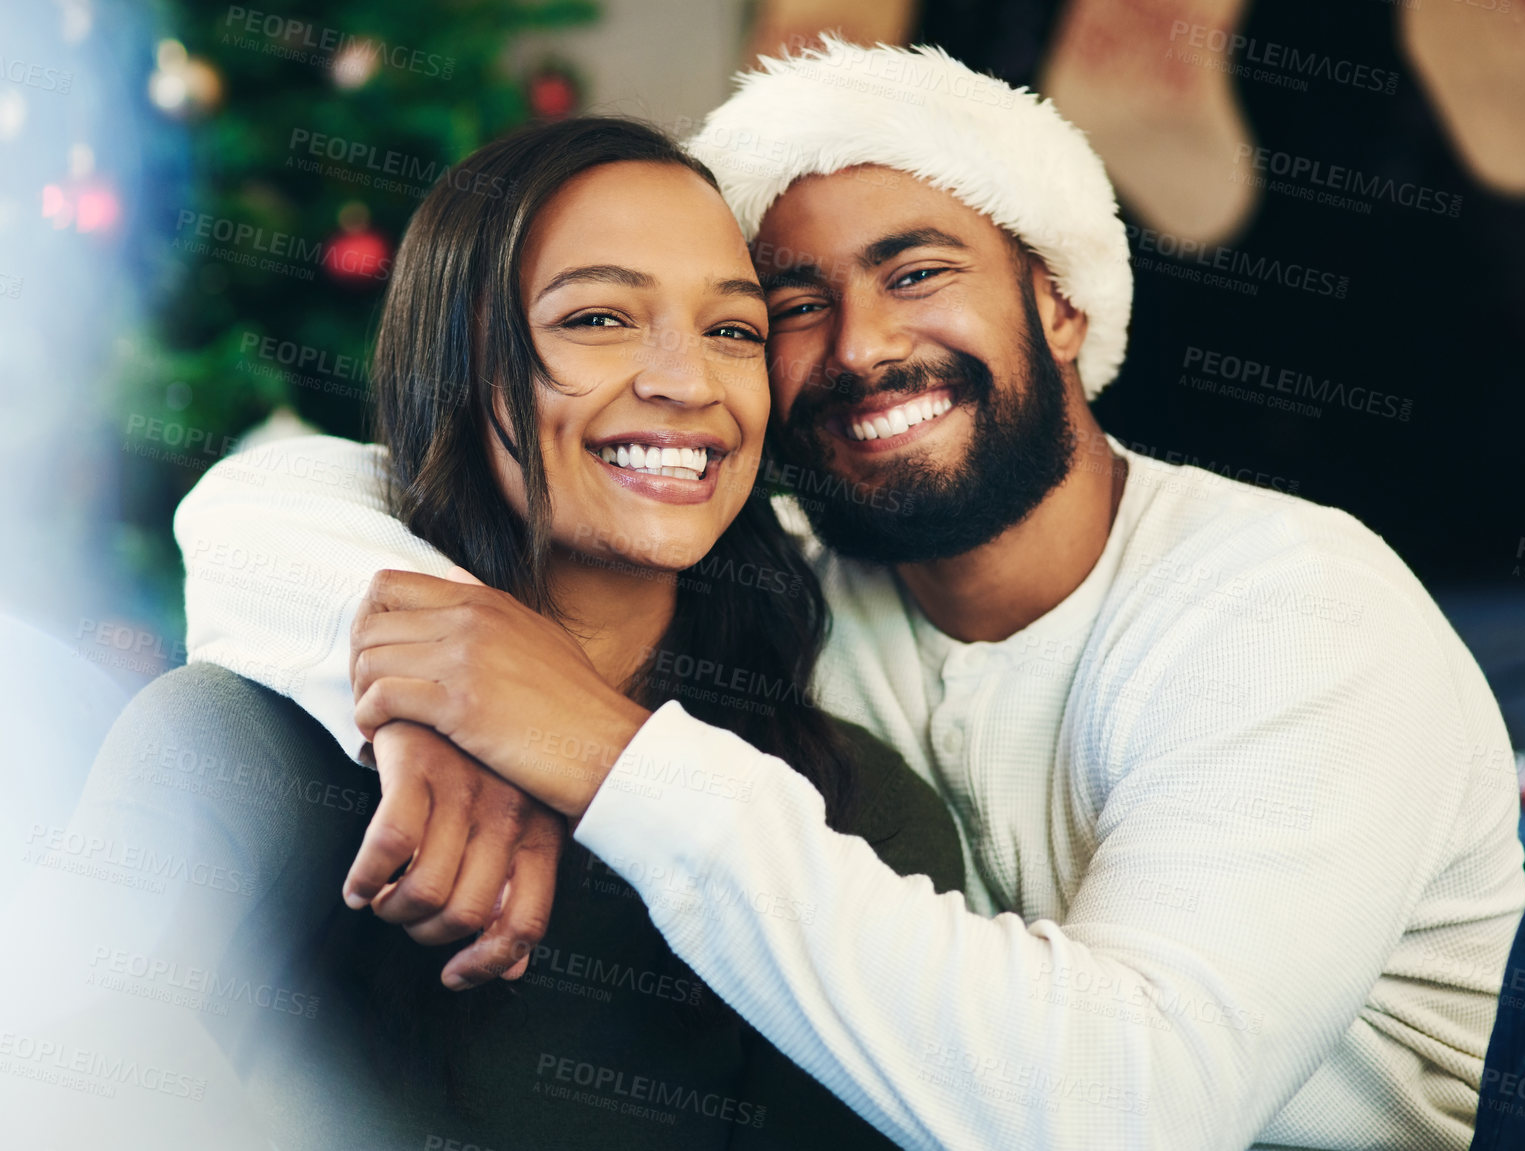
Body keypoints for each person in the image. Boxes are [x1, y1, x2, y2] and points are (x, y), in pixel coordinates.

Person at [177, 39, 1525, 1150]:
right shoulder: (794, 577)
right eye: (790, 306)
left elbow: (1123, 1110)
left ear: (1058, 305)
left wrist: (588, 743)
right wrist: (425, 704)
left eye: (917, 271)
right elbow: (266, 502)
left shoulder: (1282, 608)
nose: (865, 346)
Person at [99, 113, 968, 1149]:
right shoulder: (228, 744)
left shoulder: (856, 818)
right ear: (456, 363)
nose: (686, 382)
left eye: (732, 331)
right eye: (598, 319)